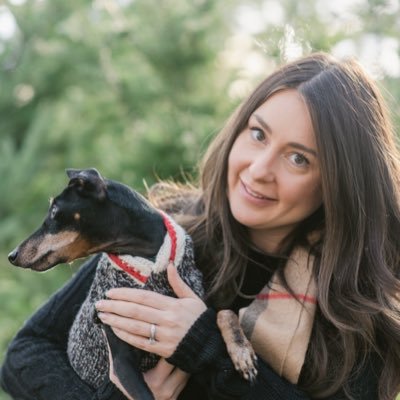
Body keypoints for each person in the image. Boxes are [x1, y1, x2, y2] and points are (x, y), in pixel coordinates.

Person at [1, 52, 400, 400]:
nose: (259, 170)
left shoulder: (361, 308)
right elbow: (25, 356)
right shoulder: (165, 237)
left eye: (299, 159)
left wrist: (205, 346)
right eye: (258, 134)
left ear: (340, 185)